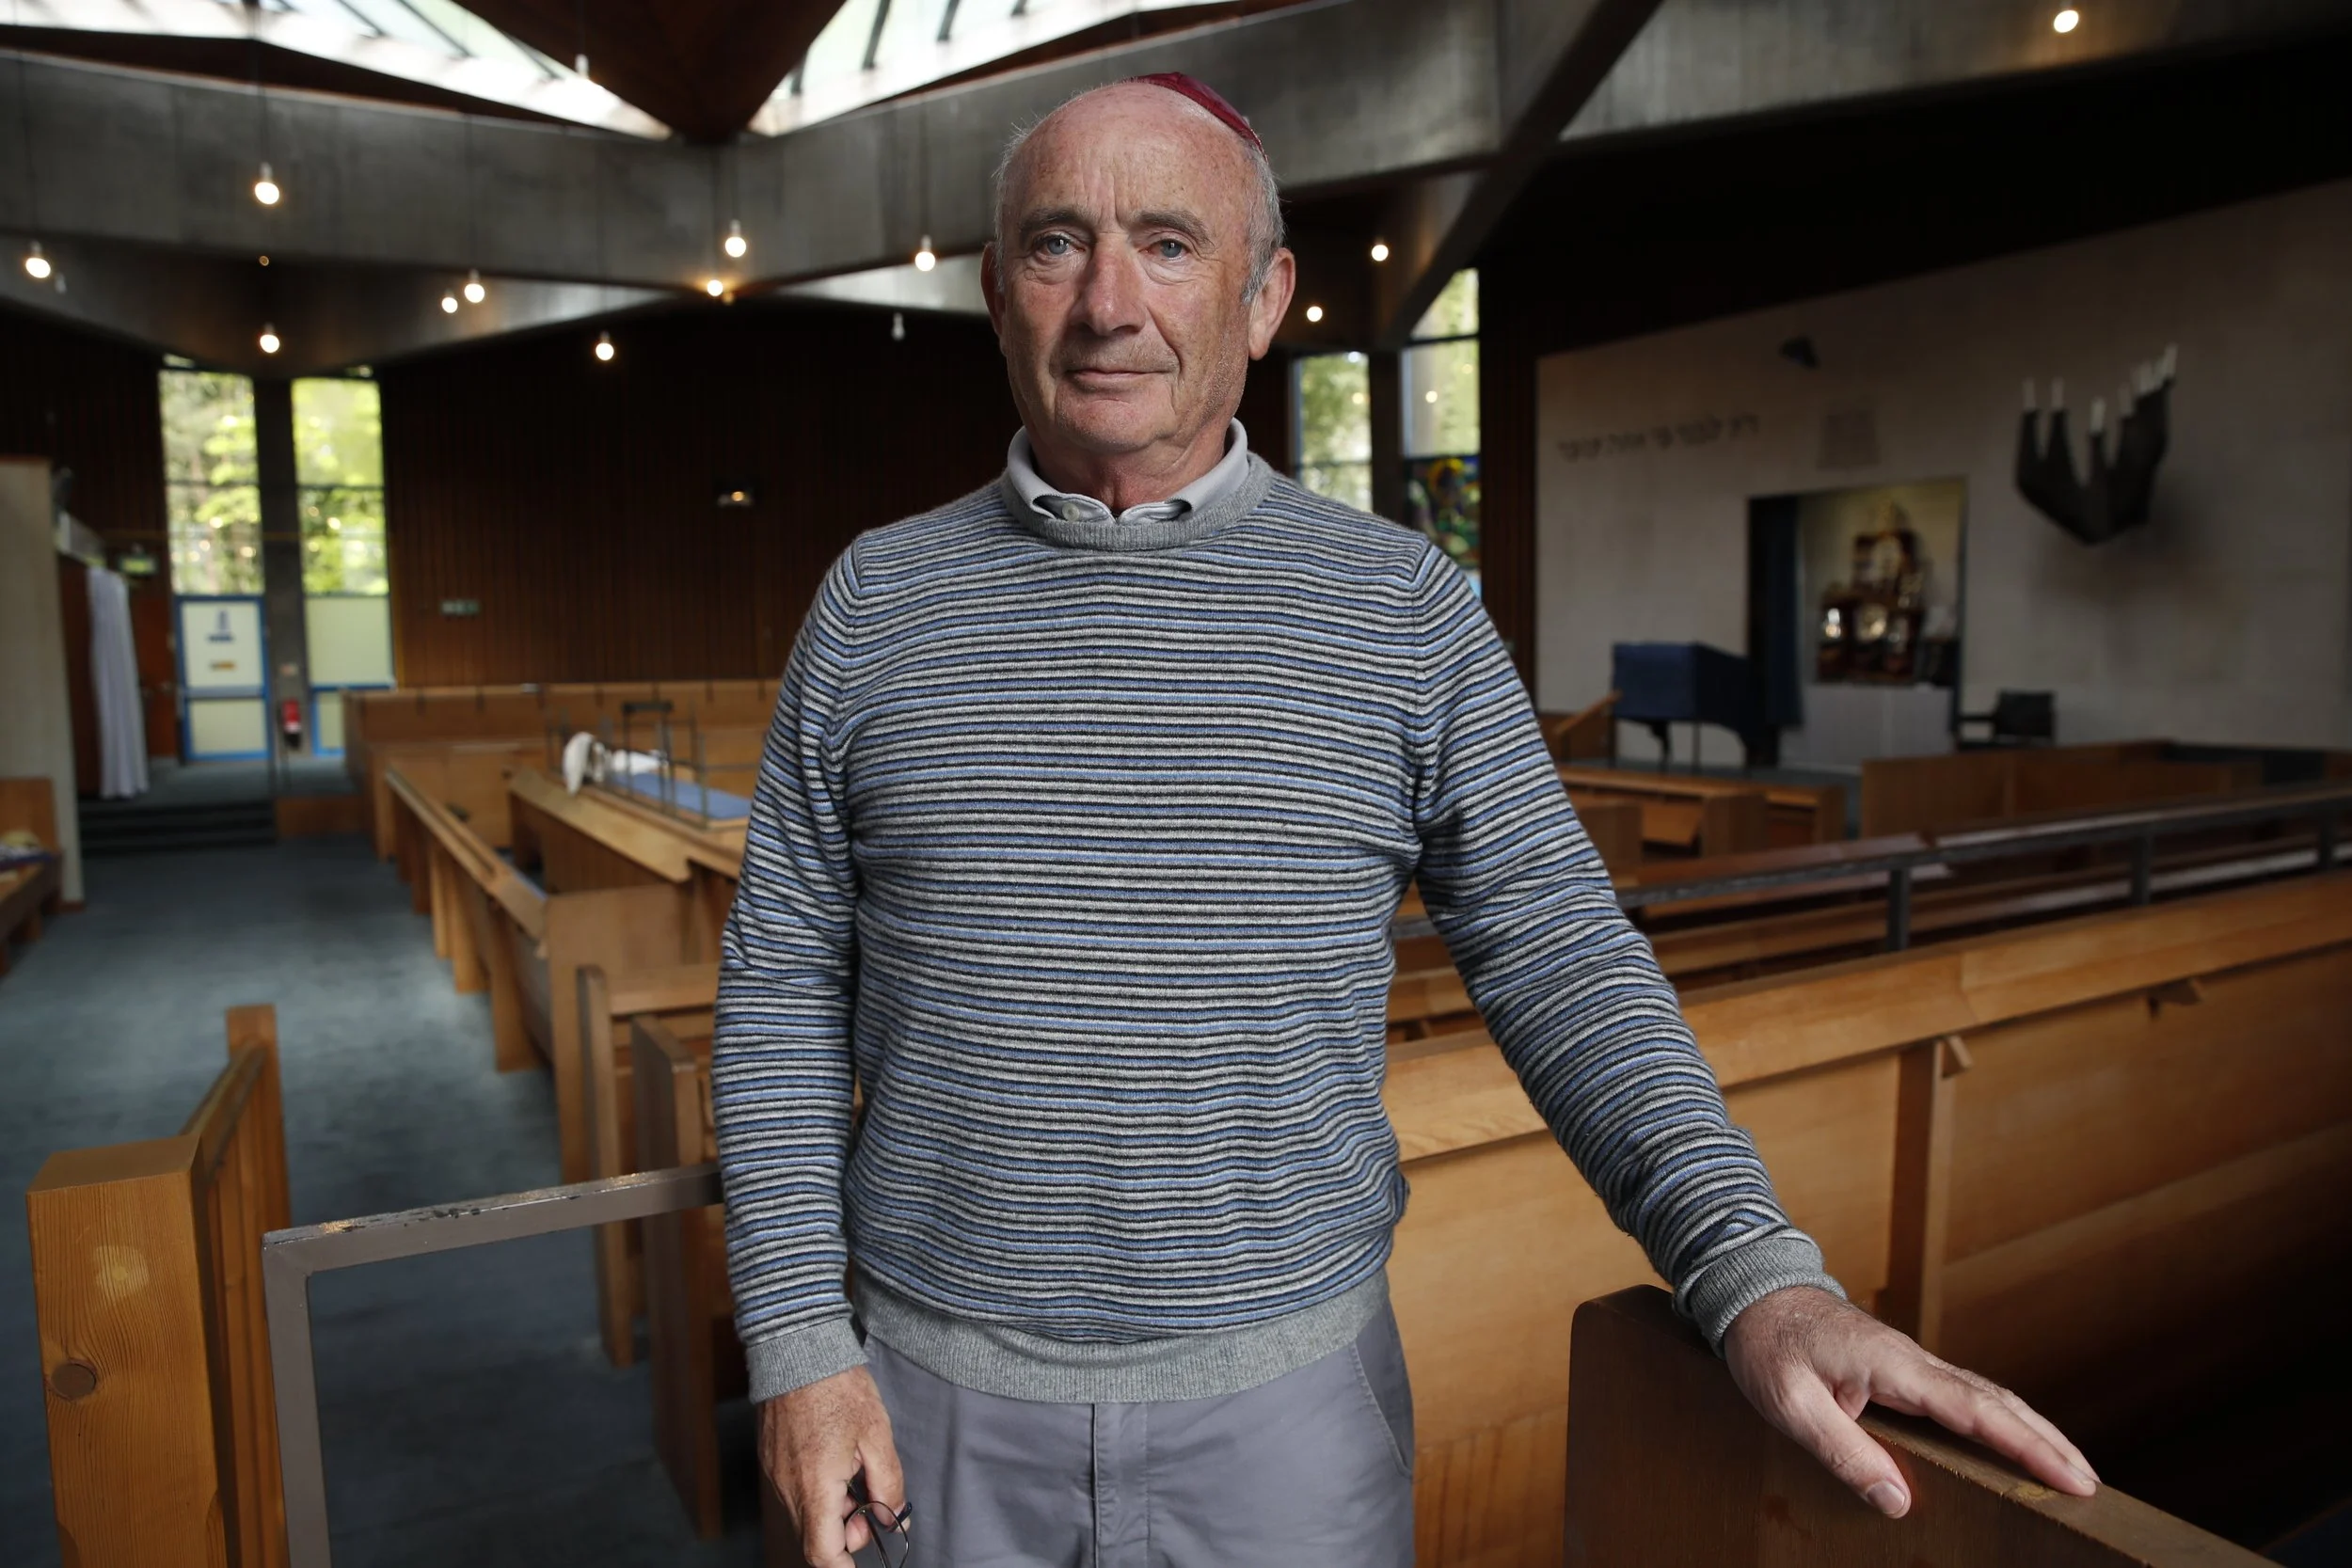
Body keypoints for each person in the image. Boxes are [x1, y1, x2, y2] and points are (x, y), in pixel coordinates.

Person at [712, 73, 2098, 1568]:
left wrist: (1757, 1275)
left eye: (1170, 243)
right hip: (930, 1408)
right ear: (998, 293)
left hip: (1287, 1432)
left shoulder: (1403, 610)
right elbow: (784, 986)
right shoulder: (876, 604)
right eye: (1059, 243)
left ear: (1265, 297)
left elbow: (1565, 961)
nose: (1110, 299)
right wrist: (797, 1340)